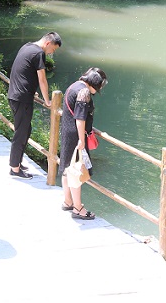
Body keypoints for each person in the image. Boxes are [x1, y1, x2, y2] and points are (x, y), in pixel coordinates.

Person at [7, 32, 62, 179]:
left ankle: (17, 162)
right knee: (21, 133)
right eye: (53, 49)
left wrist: (31, 91)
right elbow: (42, 79)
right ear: (48, 43)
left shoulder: (27, 46)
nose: (51, 53)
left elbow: (22, 72)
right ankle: (14, 168)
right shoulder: (39, 53)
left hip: (16, 95)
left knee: (25, 130)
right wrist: (47, 101)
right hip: (22, 98)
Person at [59, 67, 107, 220]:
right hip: (76, 136)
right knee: (76, 171)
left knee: (67, 168)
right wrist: (81, 139)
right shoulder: (84, 92)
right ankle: (78, 208)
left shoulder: (74, 86)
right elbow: (80, 119)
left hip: (67, 132)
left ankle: (68, 201)